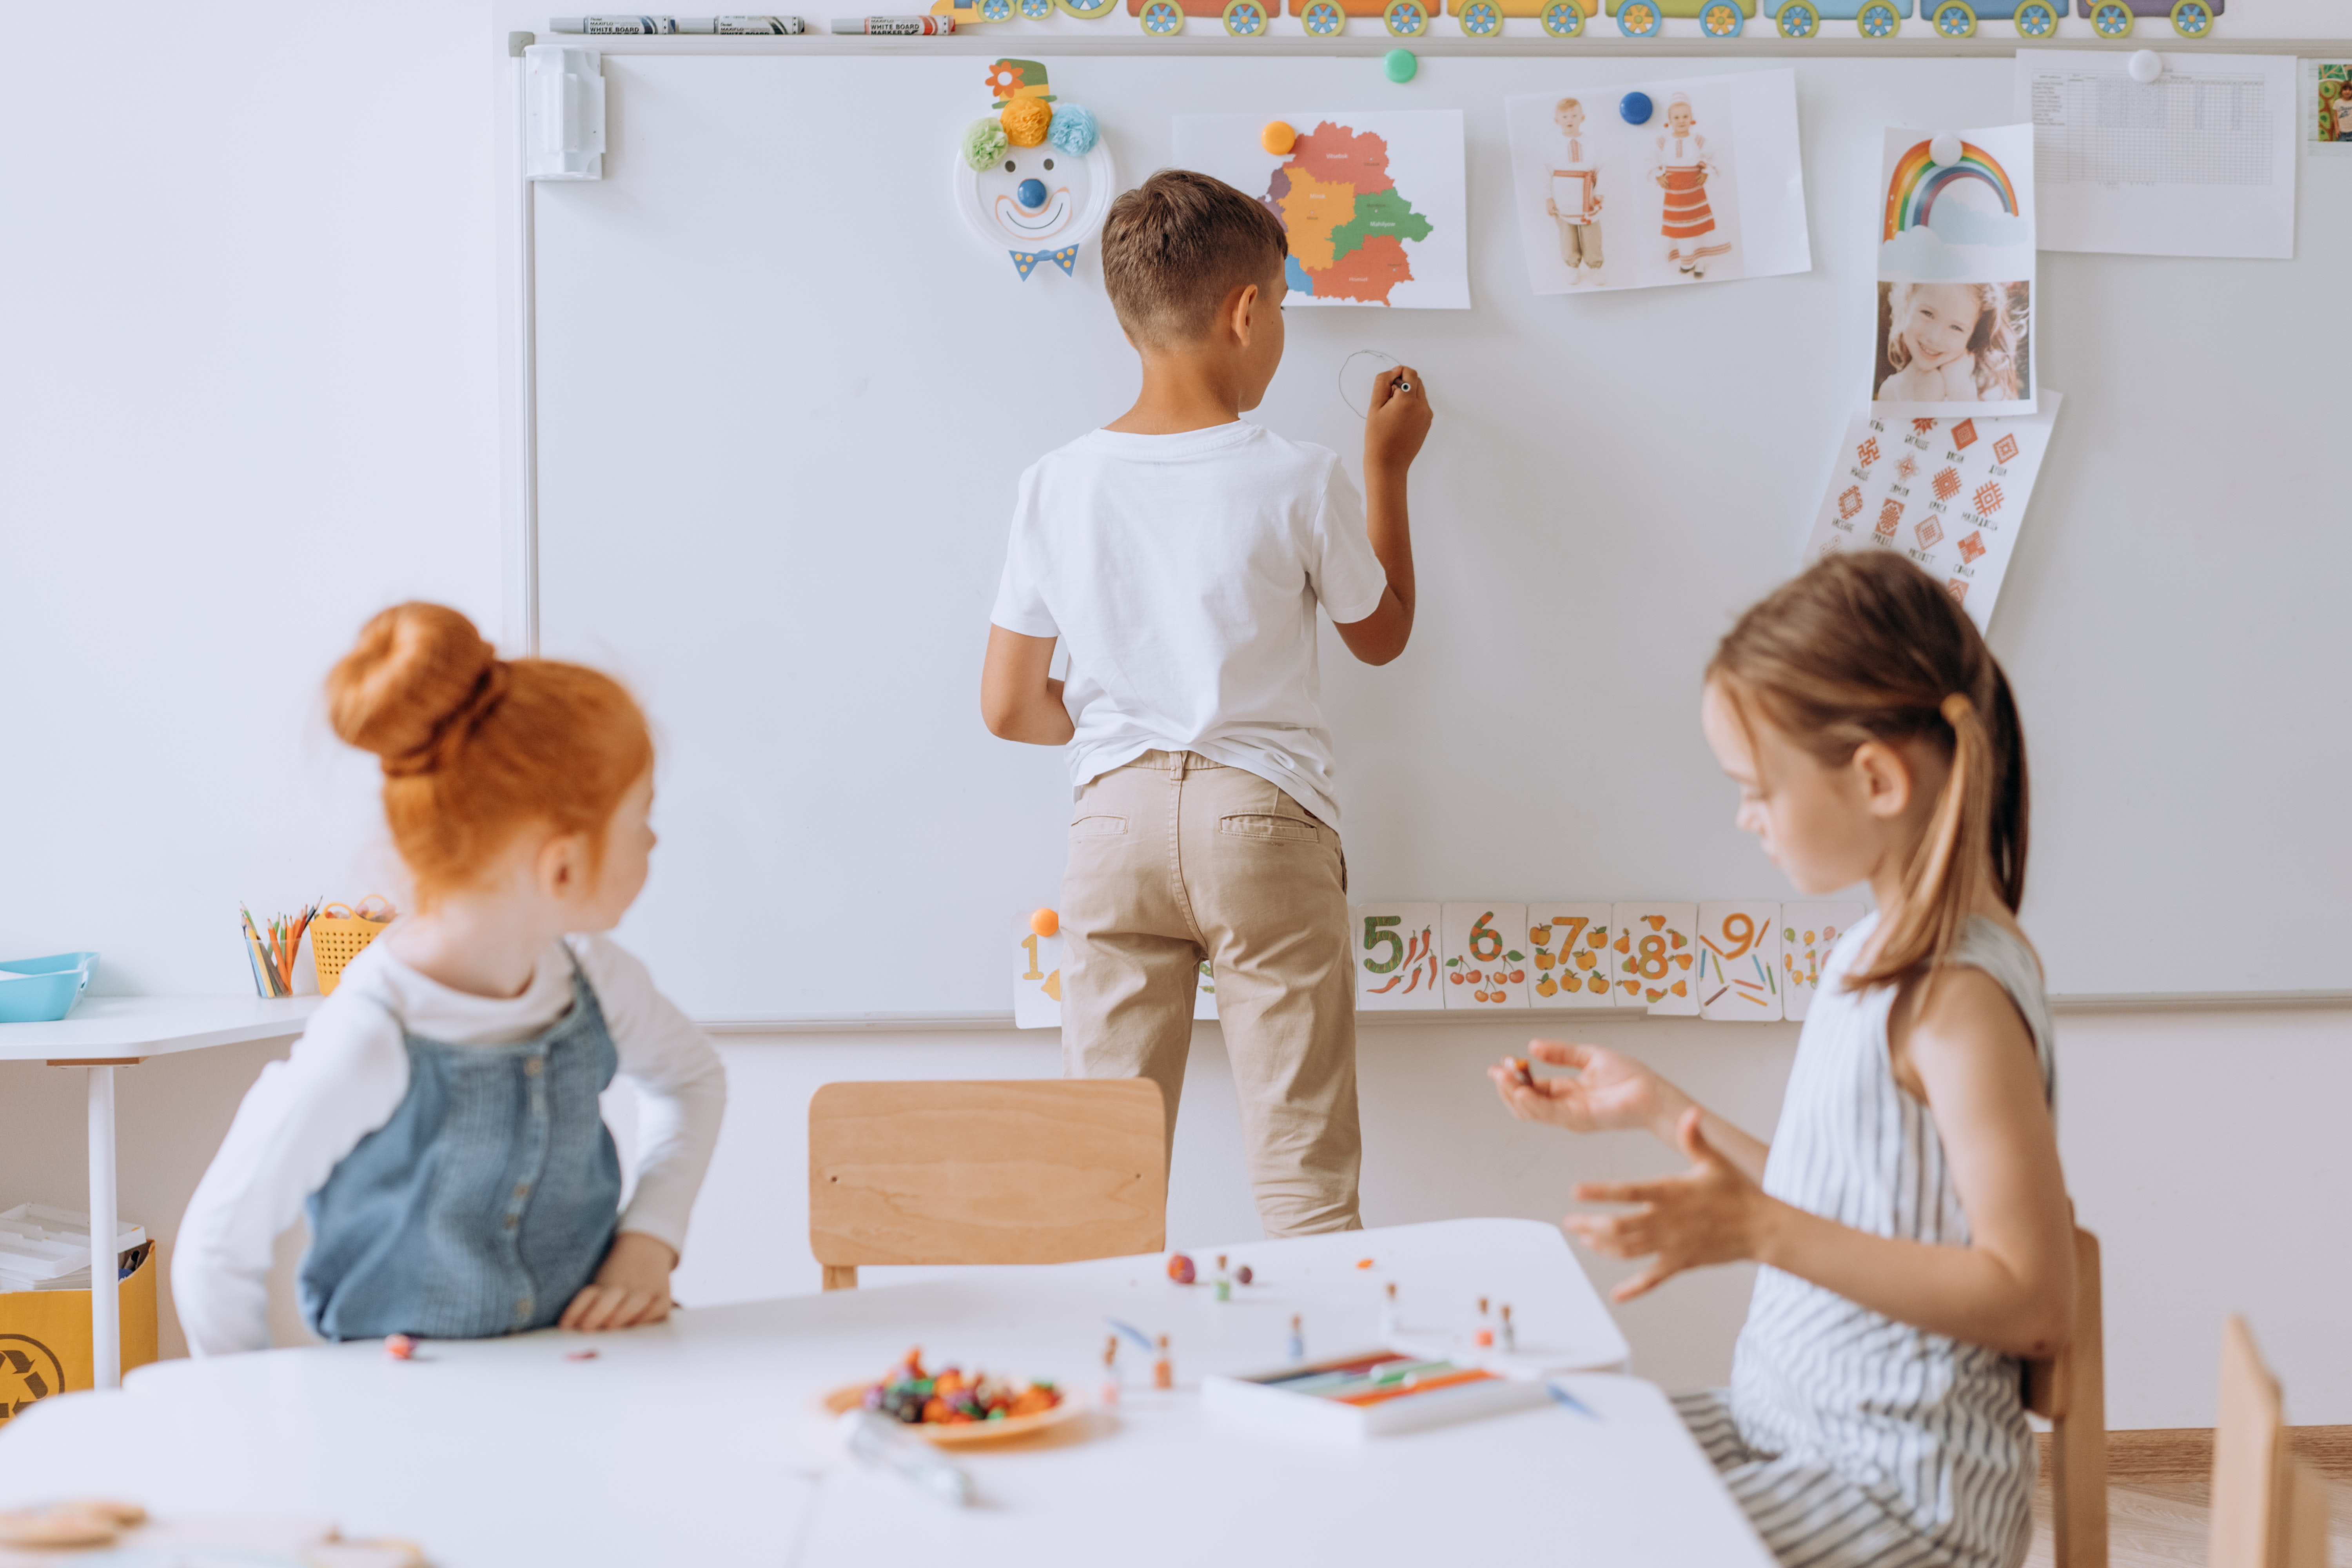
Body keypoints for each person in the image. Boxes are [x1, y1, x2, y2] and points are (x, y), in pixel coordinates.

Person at [1490, 551, 2072, 1568]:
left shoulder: (1960, 1000)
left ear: (1878, 779)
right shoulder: (1871, 955)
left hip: (1905, 1496)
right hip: (1788, 1425)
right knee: (1535, 1468)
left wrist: (1760, 1231)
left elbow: (2034, 1300)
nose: (1745, 816)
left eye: (1756, 788)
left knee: (1589, 1538)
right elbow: (1853, 1198)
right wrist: (1657, 1107)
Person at [980, 168, 1432, 1236]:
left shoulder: (1055, 483)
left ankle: (1105, 1385)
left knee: (1103, 1180)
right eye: (1280, 304)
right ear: (1247, 310)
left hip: (1114, 824)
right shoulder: (1298, 473)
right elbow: (1382, 633)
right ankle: (1325, 1386)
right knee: (1305, 1179)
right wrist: (1388, 470)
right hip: (1261, 818)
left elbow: (1006, 706)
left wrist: (1116, 728)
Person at [174, 604, 726, 1355]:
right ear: (561, 866)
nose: (654, 839)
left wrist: (651, 1239)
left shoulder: (596, 980)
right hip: (402, 1415)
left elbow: (692, 1078)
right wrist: (256, 1419)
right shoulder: (372, 1034)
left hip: (584, 1377)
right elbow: (215, 1249)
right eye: (642, 818)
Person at [1878, 281, 2021, 404]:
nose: (1935, 338)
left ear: (1973, 333)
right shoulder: (1892, 391)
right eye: (1927, 313)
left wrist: (1957, 382)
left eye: (1956, 328)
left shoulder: (1987, 382)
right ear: (1906, 302)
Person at [1652, 93, 1727, 279]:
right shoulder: (1663, 142)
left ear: (1692, 118)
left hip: (1695, 194)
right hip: (1674, 195)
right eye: (1676, 118)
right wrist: (1658, 175)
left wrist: (1705, 172)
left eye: (1686, 116)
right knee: (1680, 229)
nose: (1681, 121)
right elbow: (1650, 160)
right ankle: (1687, 261)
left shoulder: (1699, 141)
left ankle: (1700, 261)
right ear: (1669, 121)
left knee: (1698, 228)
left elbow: (1714, 158)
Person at [1543, 96, 1606, 285]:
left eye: (1574, 115)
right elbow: (1544, 172)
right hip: (1563, 198)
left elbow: (1602, 168)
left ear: (1582, 118)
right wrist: (1548, 198)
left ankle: (1595, 267)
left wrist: (1600, 192)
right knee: (1567, 234)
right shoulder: (1552, 146)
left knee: (1591, 233)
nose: (1569, 120)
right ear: (1557, 121)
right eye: (1564, 116)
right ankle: (1573, 267)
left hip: (1587, 196)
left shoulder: (1592, 143)